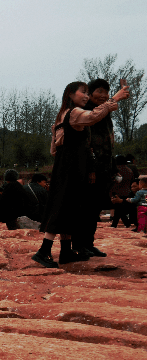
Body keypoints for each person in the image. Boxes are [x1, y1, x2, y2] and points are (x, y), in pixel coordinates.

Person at [32, 80, 128, 268]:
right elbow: (93, 117)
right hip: (72, 167)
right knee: (61, 207)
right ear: (70, 94)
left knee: (69, 207)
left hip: (65, 166)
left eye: (86, 92)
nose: (85, 96)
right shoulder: (74, 113)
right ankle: (43, 251)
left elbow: (53, 149)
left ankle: (66, 251)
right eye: (82, 92)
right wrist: (115, 98)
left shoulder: (61, 116)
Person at [81, 78, 116, 257]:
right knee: (86, 207)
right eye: (99, 91)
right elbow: (87, 144)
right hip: (91, 168)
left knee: (95, 208)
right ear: (90, 93)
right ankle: (80, 245)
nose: (104, 96)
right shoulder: (87, 112)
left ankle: (89, 243)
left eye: (106, 92)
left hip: (104, 166)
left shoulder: (105, 113)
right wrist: (91, 168)